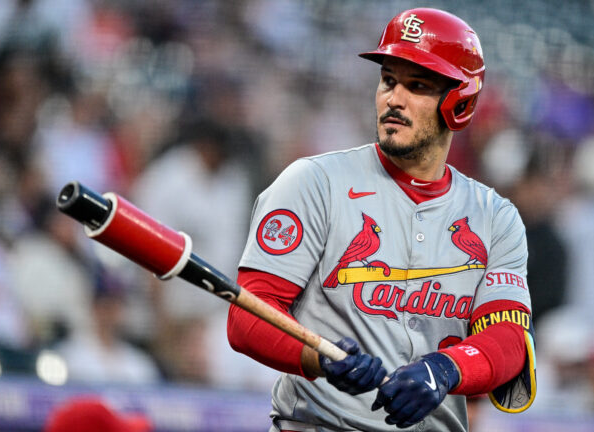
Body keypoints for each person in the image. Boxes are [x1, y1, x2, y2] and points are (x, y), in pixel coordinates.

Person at [227, 8, 535, 431]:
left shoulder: (495, 218)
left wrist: (445, 370)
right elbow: (247, 317)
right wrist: (318, 355)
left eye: (418, 86)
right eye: (389, 80)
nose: (394, 98)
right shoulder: (315, 183)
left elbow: (508, 340)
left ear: (459, 102)